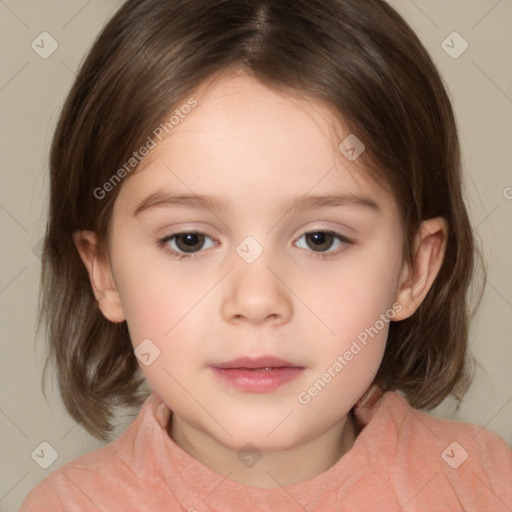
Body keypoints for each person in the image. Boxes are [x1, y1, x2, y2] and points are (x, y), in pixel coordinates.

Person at [20, 0, 512, 510]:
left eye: (321, 239)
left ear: (414, 269)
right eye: (189, 240)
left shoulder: (484, 485)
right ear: (104, 272)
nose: (256, 301)